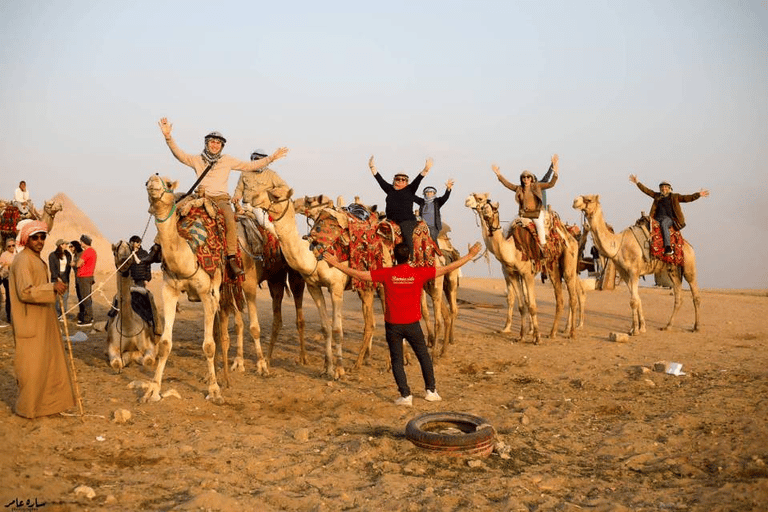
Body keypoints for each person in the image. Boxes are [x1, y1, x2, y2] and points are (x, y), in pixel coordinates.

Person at [323, 241, 482, 406]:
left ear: (394, 257)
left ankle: (405, 395)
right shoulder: (418, 273)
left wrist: (335, 263)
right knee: (423, 357)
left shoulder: (387, 273)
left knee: (397, 360)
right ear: (409, 257)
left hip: (393, 326)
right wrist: (470, 256)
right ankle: (431, 391)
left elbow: (360, 275)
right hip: (413, 325)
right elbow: (447, 268)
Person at [149, 118, 289, 276]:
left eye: (218, 143)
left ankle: (231, 258)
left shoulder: (227, 160)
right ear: (207, 143)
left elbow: (250, 166)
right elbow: (180, 155)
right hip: (200, 196)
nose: (215, 145)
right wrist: (168, 137)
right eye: (212, 142)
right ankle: (156, 247)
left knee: (230, 220)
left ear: (222, 146)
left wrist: (271, 158)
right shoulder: (197, 159)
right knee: (173, 212)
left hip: (220, 199)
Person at [9, 221, 74, 418]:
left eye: (42, 237)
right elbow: (25, 292)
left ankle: (47, 406)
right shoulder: (22, 261)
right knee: (32, 368)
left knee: (49, 364)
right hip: (30, 322)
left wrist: (54, 287)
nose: (40, 241)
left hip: (44, 320)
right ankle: (27, 408)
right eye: (35, 237)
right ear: (26, 238)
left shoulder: (36, 259)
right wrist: (51, 287)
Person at [629, 175, 710, 256]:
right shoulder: (657, 196)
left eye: (665, 187)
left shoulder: (675, 197)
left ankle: (668, 248)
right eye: (662, 187)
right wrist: (637, 182)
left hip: (669, 219)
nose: (663, 188)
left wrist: (698, 194)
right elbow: (646, 191)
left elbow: (687, 198)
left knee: (664, 224)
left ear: (669, 188)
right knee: (644, 225)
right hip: (656, 218)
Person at [369, 155, 432, 258]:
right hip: (390, 219)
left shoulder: (410, 189)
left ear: (407, 181)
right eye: (398, 179)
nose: (400, 181)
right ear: (394, 180)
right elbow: (380, 180)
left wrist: (425, 170)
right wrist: (372, 168)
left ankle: (410, 259)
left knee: (407, 235)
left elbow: (418, 180)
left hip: (406, 220)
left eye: (403, 179)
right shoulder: (390, 189)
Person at [492, 154, 559, 248]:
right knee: (506, 228)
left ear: (531, 178)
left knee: (540, 228)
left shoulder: (537, 186)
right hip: (523, 214)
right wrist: (499, 175)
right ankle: (504, 248)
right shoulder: (519, 188)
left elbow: (551, 184)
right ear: (522, 179)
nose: (526, 179)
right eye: (524, 177)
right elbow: (508, 184)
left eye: (528, 177)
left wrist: (555, 173)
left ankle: (544, 249)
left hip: (536, 213)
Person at [231, 149, 289, 235]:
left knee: (265, 224)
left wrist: (272, 194)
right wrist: (236, 197)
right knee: (231, 222)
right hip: (245, 206)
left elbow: (285, 188)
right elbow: (239, 189)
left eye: (261, 160)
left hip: (260, 208)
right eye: (256, 160)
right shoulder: (245, 173)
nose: (259, 163)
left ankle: (279, 241)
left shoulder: (271, 175)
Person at [74, 234, 96, 326]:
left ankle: (88, 319)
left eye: (81, 242)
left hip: (84, 277)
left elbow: (78, 264)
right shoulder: (90, 251)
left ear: (84, 243)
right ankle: (85, 317)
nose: (80, 243)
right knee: (84, 297)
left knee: (85, 298)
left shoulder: (88, 252)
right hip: (85, 277)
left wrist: (75, 263)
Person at [48, 239, 72, 318]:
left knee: (65, 296)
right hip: (56, 277)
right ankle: (56, 314)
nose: (66, 245)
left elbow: (68, 267)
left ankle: (63, 313)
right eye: (65, 244)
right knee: (56, 297)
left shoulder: (68, 254)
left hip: (65, 276)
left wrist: (65, 277)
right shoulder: (52, 255)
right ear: (60, 245)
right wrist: (57, 278)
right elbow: (52, 268)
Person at [1, 237, 17, 327]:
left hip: (17, 279)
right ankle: (9, 317)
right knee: (9, 299)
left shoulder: (18, 253)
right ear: (7, 247)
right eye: (9, 246)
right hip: (8, 279)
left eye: (13, 245)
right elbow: (2, 268)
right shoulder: (4, 255)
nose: (11, 247)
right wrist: (9, 267)